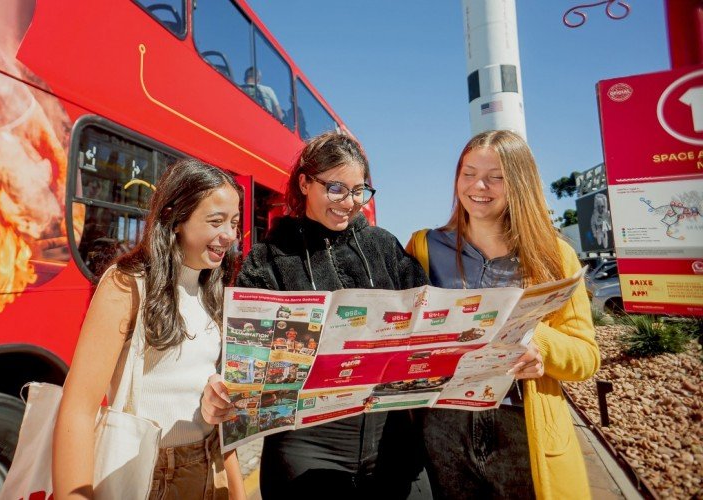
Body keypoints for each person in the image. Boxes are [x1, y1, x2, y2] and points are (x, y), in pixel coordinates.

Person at [202, 131, 431, 499]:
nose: (349, 202)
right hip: (305, 447)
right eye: (336, 188)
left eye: (359, 190)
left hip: (393, 441)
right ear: (305, 182)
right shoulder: (268, 259)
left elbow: (424, 316)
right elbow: (238, 352)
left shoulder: (384, 247)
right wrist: (224, 386)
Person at [405, 130, 600, 499]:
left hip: (522, 425)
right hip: (444, 423)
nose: (479, 186)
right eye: (468, 173)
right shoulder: (423, 246)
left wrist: (537, 343)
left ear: (519, 183)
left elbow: (586, 357)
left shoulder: (555, 255)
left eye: (496, 176)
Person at [53, 159, 246, 500]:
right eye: (216, 221)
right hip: (151, 474)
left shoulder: (211, 290)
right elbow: (78, 408)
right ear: (176, 220)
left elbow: (213, 409)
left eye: (233, 222)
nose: (229, 235)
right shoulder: (126, 284)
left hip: (209, 465)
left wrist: (237, 491)